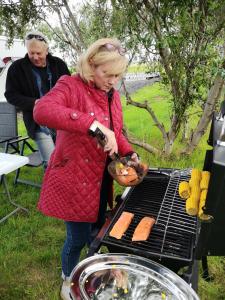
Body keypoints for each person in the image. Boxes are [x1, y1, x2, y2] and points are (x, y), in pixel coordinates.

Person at [33, 37, 139, 300]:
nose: (113, 81)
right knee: (77, 238)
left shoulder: (111, 94)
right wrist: (92, 125)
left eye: (118, 75)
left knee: (97, 232)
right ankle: (68, 278)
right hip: (75, 180)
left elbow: (114, 131)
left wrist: (129, 151)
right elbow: (42, 110)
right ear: (92, 65)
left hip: (102, 178)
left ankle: (92, 271)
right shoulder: (70, 85)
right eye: (108, 74)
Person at [5, 30, 70, 169]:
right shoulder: (17, 68)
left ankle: (65, 187)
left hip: (60, 120)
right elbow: (10, 95)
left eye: (38, 53)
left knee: (66, 158)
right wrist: (34, 102)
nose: (34, 57)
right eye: (31, 53)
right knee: (52, 163)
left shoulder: (59, 64)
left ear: (46, 50)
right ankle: (52, 189)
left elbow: (71, 88)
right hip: (38, 123)